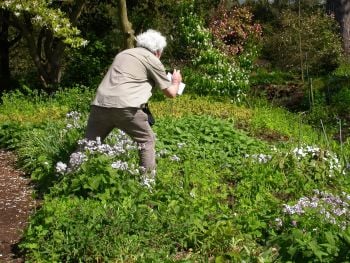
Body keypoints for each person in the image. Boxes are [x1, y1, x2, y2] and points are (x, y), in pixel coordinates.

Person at [83, 29, 182, 187]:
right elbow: (171, 93)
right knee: (146, 141)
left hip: (100, 104)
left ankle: (67, 178)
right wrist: (176, 81)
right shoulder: (153, 59)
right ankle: (147, 185)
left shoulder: (123, 54)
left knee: (87, 144)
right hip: (126, 107)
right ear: (157, 51)